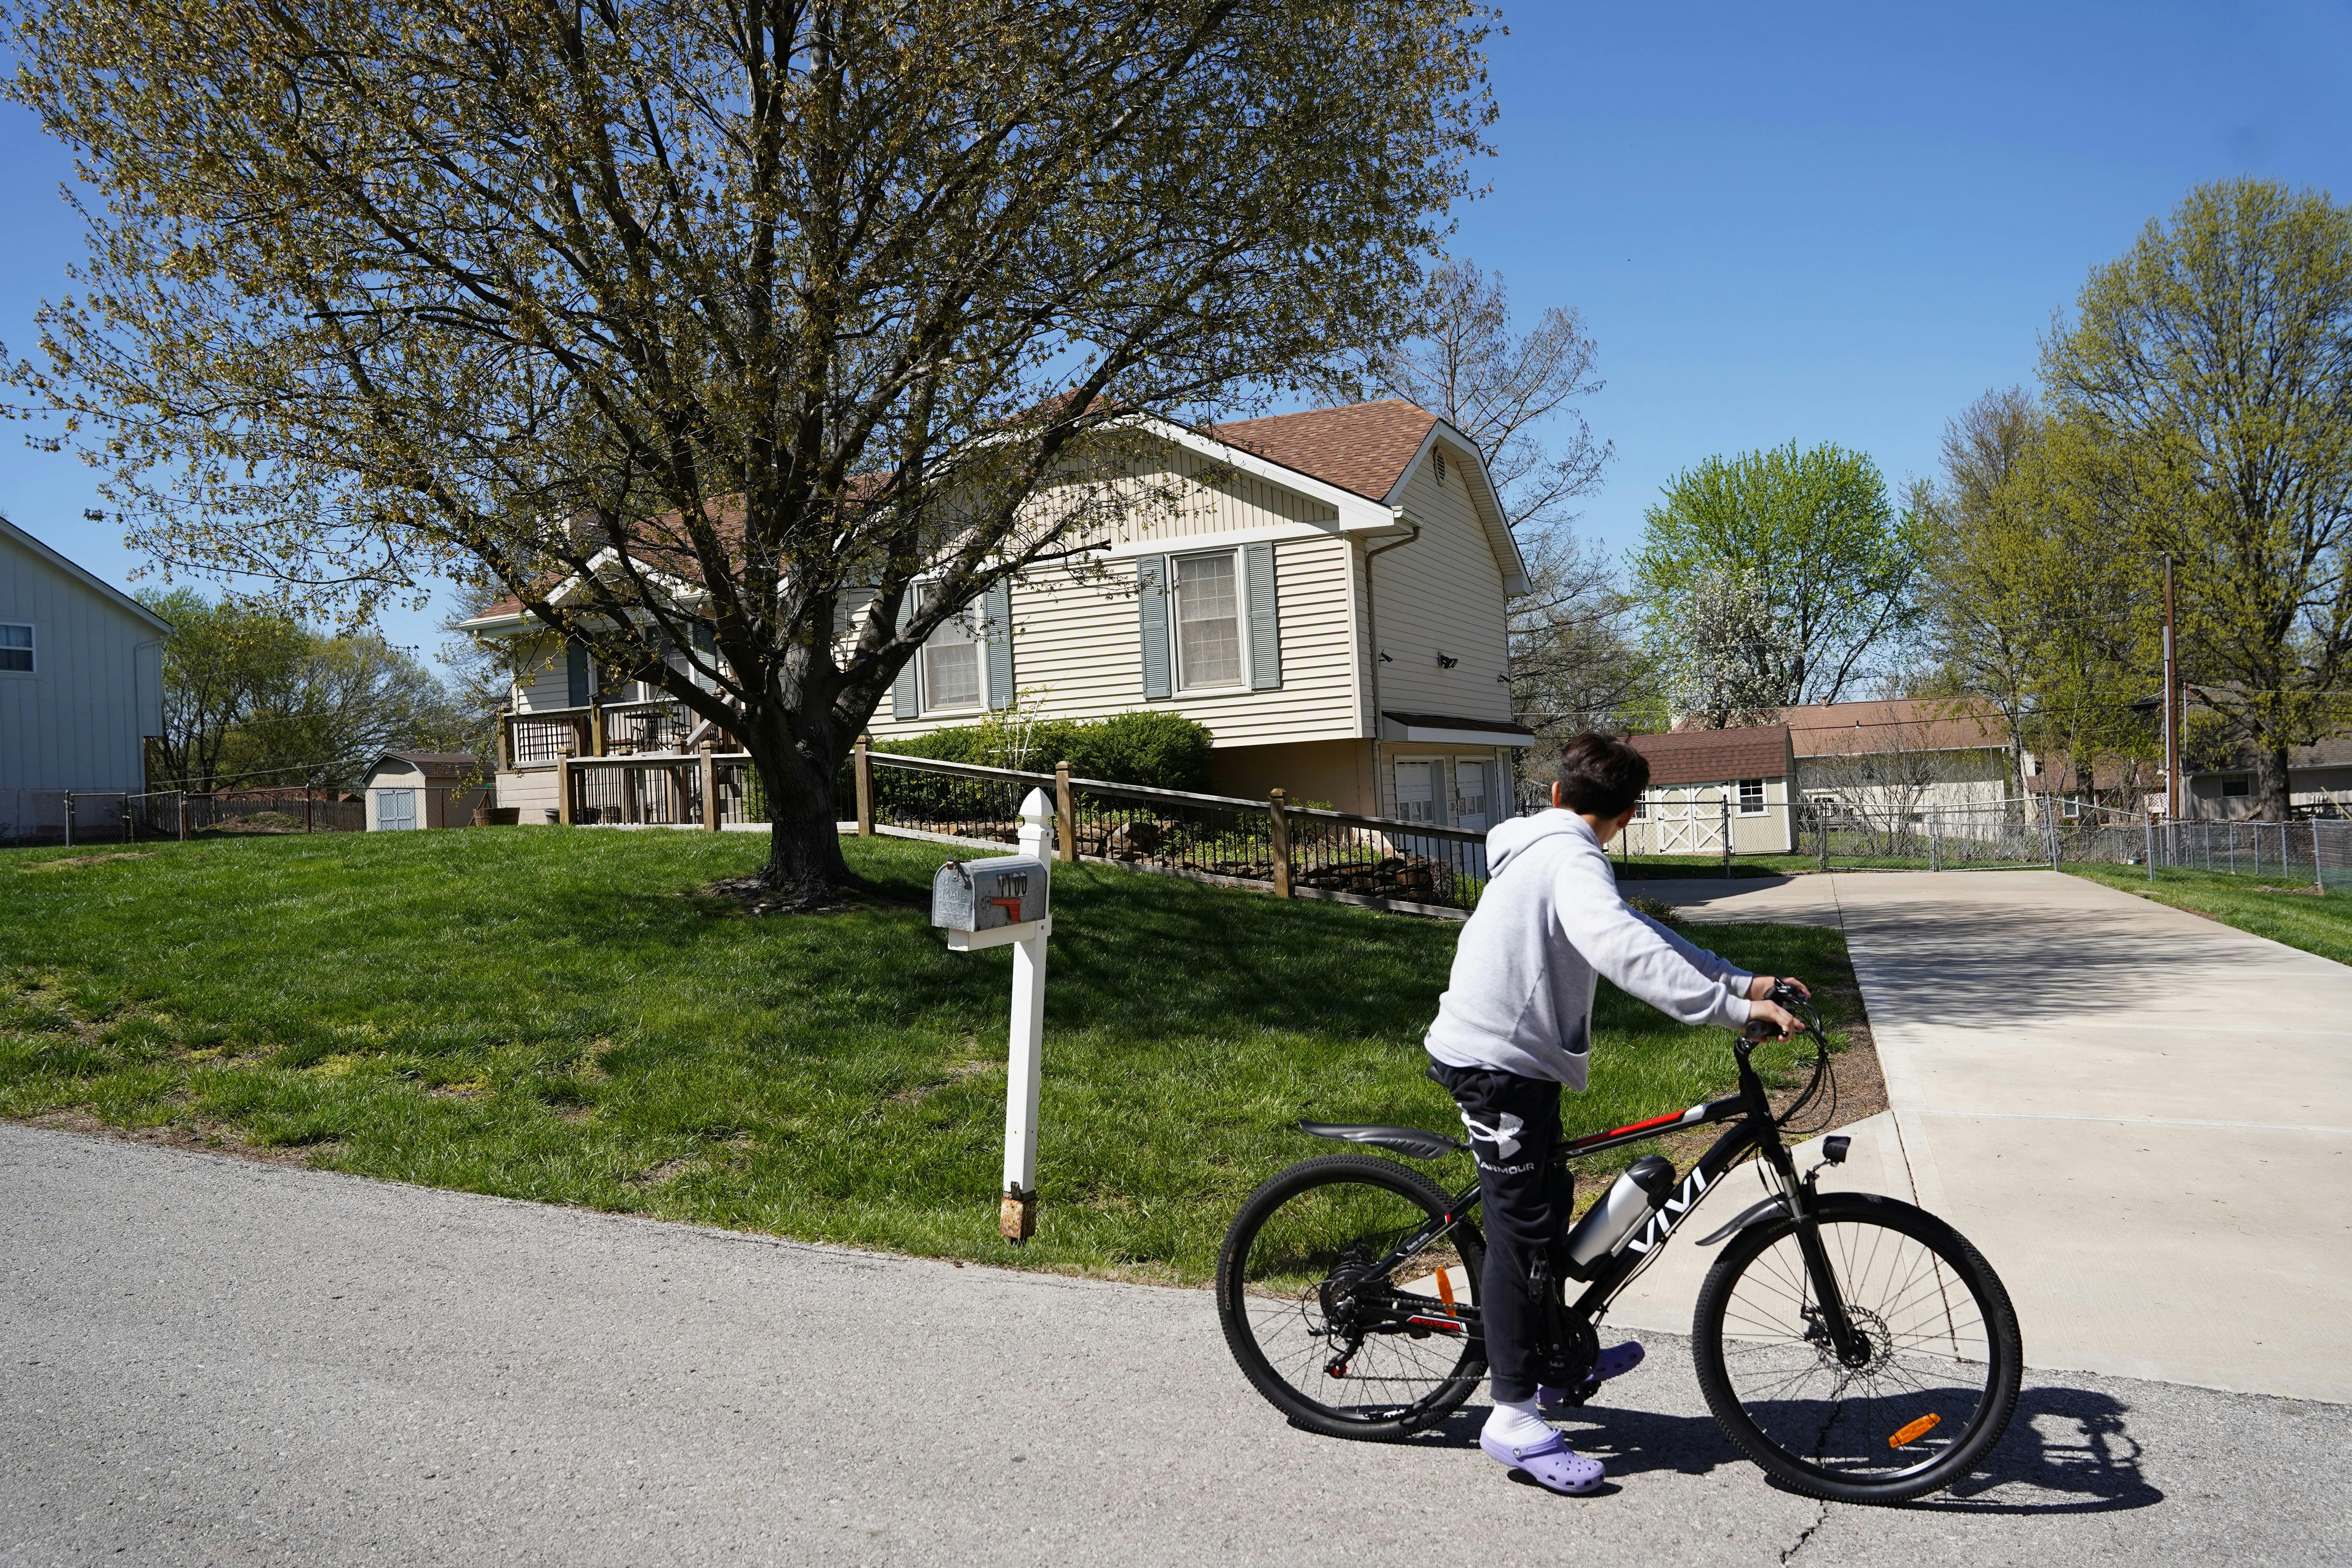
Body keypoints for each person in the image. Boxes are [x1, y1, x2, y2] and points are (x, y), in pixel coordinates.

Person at [1424, 732, 1806, 1495]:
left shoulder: (1553, 846)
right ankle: (1513, 1416)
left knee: (1550, 1202)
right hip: (1492, 1065)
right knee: (1523, 1231)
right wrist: (1734, 1010)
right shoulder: (1569, 858)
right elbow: (1622, 950)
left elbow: (1638, 929)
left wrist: (1741, 977)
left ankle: (1555, 1348)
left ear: (1562, 793)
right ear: (1628, 815)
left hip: (1518, 1061)